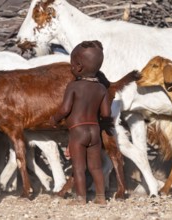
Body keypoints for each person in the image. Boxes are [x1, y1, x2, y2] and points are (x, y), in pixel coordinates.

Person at [50, 40, 111, 205]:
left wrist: (54, 119)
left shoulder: (73, 87)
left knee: (79, 168)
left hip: (78, 131)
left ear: (77, 66)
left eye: (71, 63)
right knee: (96, 167)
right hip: (94, 131)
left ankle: (80, 199)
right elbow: (106, 113)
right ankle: (101, 198)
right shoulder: (101, 89)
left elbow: (64, 109)